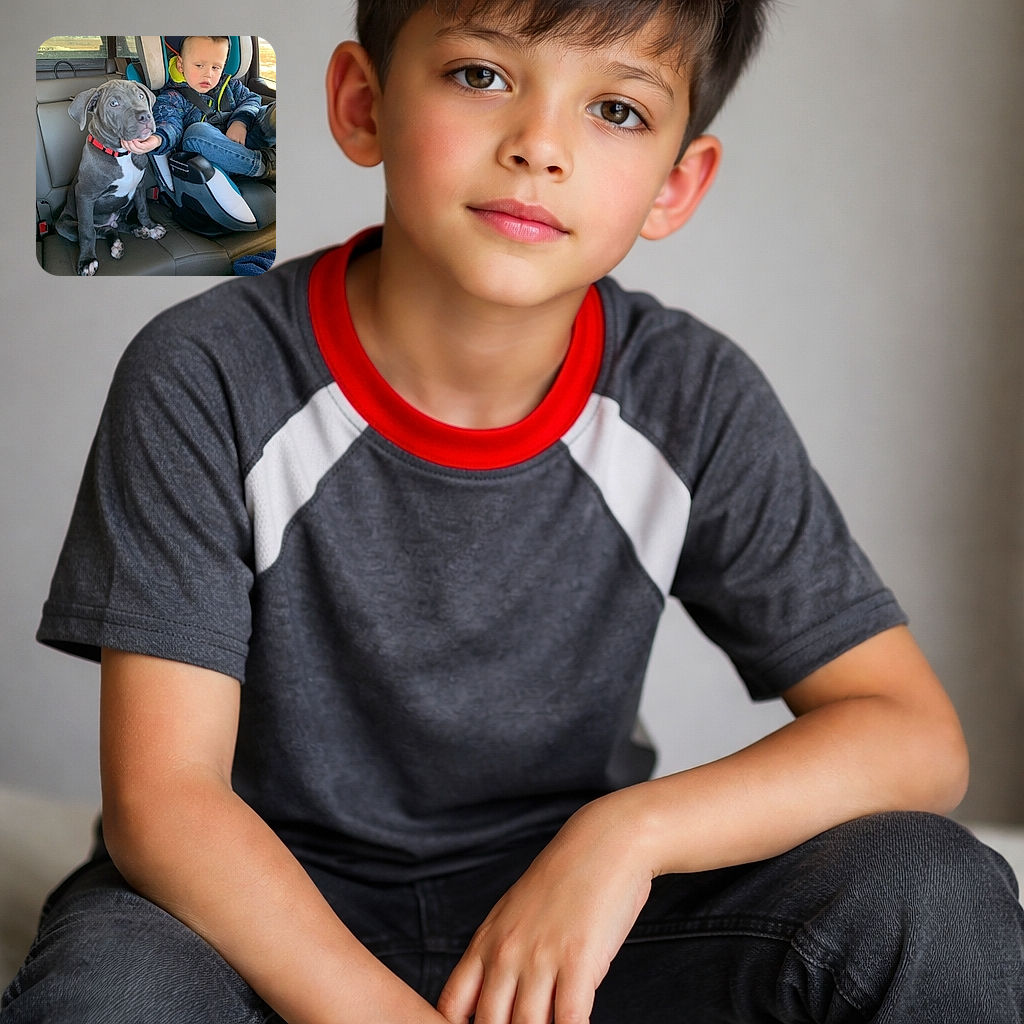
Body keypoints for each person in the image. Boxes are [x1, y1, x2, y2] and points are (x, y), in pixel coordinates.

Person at [3, 2, 1022, 1022]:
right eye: (481, 76)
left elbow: (913, 738)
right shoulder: (207, 372)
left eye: (616, 109)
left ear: (676, 184)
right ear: (363, 104)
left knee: (929, 888)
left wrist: (623, 837)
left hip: (563, 932)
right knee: (114, 988)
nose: (539, 146)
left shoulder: (692, 396)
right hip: (253, 916)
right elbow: (166, 803)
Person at [127, 35, 276, 182]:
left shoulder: (231, 86)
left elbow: (252, 99)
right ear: (181, 65)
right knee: (196, 131)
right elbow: (169, 124)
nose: (208, 74)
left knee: (274, 111)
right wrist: (157, 139)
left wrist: (240, 122)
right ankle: (265, 166)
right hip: (211, 160)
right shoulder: (172, 97)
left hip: (244, 142)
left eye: (216, 67)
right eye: (199, 66)